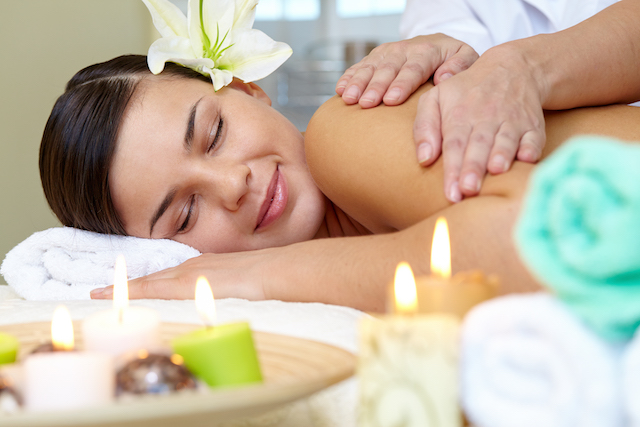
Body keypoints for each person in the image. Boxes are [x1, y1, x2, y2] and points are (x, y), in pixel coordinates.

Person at [39, 50, 640, 312]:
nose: (232, 186)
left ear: (248, 91)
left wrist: (261, 273)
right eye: (185, 215)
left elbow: (550, 241)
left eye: (215, 134)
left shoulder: (343, 132)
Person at [336, 0, 640, 202]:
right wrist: (446, 53)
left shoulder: (338, 140)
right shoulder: (347, 135)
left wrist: (522, 67)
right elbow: (458, 79)